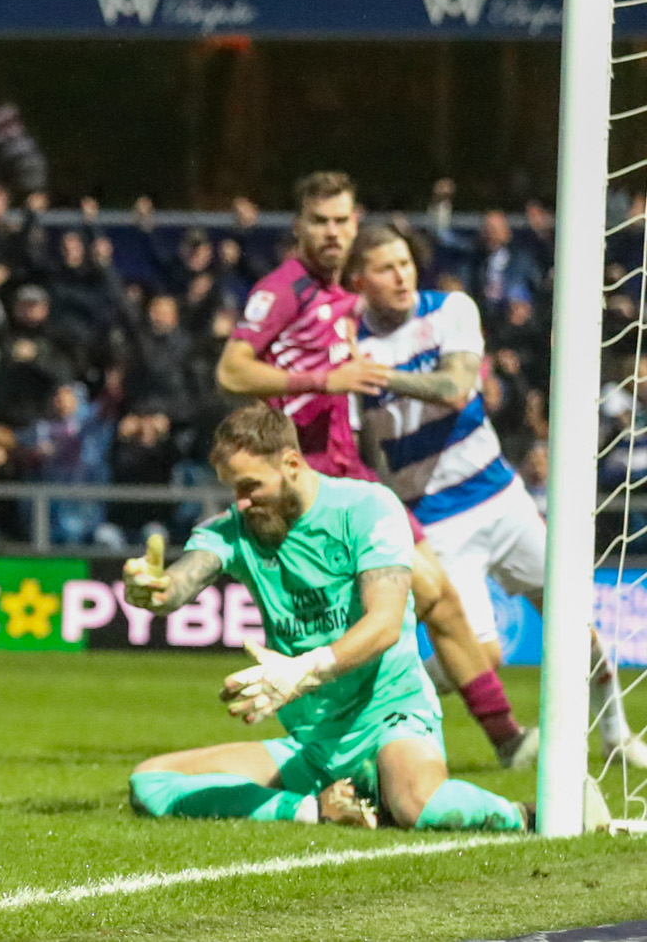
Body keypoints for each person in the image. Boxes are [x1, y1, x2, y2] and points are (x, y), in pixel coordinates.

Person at [215, 171, 530, 767]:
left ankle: (508, 739)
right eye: (319, 222)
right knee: (419, 600)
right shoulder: (284, 290)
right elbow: (232, 371)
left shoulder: (349, 300)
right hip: (309, 483)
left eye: (342, 220)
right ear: (299, 227)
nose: (332, 232)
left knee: (443, 602)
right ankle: (483, 741)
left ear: (355, 222)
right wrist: (322, 380)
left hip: (356, 476)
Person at [122, 406, 530, 834]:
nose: (240, 502)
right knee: (151, 782)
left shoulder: (365, 507)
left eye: (250, 485)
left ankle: (528, 814)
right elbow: (183, 580)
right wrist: (157, 589)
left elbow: (385, 624)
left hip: (392, 719)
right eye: (232, 488)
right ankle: (319, 809)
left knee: (417, 805)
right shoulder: (237, 530)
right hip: (313, 746)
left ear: (291, 463)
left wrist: (302, 672)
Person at [347, 223, 646, 767]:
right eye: (387, 269)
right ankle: (373, 709)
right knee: (483, 654)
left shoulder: (449, 310)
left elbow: (456, 386)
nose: (402, 276)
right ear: (359, 280)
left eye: (406, 263)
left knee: (575, 620)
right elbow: (362, 444)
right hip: (437, 521)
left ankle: (616, 737)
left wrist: (376, 376)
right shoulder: (349, 346)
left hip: (503, 499)